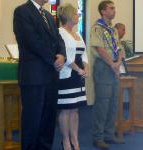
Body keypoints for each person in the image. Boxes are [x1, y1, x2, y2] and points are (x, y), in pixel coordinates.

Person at [13, 0, 66, 150]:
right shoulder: (22, 12)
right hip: (34, 77)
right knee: (33, 120)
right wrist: (53, 59)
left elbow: (59, 39)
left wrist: (62, 55)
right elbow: (31, 41)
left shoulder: (48, 15)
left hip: (51, 76)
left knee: (48, 120)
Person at [89, 1, 123, 149]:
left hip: (114, 67)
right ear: (103, 11)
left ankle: (109, 134)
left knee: (113, 103)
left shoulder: (113, 30)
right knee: (102, 104)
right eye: (111, 8)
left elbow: (119, 48)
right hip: (104, 67)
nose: (114, 10)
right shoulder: (97, 28)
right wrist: (112, 64)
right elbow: (99, 49)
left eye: (114, 8)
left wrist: (119, 63)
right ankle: (98, 137)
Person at [57, 3, 89, 150]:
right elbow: (65, 57)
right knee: (66, 109)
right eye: (76, 13)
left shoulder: (78, 34)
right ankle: (65, 141)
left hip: (79, 76)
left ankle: (75, 140)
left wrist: (86, 68)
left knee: (75, 109)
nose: (78, 15)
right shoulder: (60, 32)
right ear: (69, 16)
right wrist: (78, 70)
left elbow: (84, 54)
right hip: (67, 75)